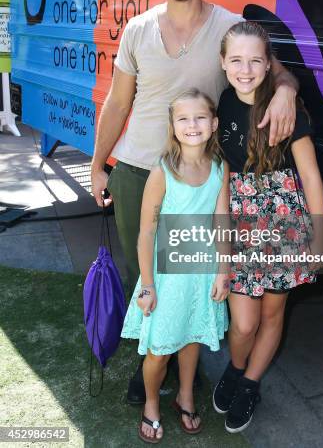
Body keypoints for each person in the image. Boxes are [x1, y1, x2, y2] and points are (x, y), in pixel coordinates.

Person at [90, 0, 299, 404]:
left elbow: (277, 70)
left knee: (187, 274)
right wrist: (100, 164)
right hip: (138, 170)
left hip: (196, 178)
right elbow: (118, 104)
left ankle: (180, 364)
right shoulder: (138, 30)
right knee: (144, 272)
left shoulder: (228, 27)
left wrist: (286, 91)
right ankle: (152, 363)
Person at [213, 21, 323, 433]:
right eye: (237, 60)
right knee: (243, 322)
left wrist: (320, 239)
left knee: (273, 313)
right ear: (223, 63)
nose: (246, 69)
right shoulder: (223, 103)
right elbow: (221, 175)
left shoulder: (285, 109)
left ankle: (249, 384)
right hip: (241, 225)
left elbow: (311, 176)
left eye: (255, 60)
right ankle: (237, 365)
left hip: (282, 221)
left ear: (268, 64)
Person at [121, 89, 230, 443]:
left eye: (200, 118)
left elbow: (222, 220)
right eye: (183, 118)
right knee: (160, 348)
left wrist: (223, 269)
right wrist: (148, 285)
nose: (192, 125)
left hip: (201, 271)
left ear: (213, 124)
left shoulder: (219, 168)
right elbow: (147, 231)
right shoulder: (162, 172)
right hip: (166, 277)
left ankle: (185, 395)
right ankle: (151, 403)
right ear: (172, 126)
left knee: (192, 336)